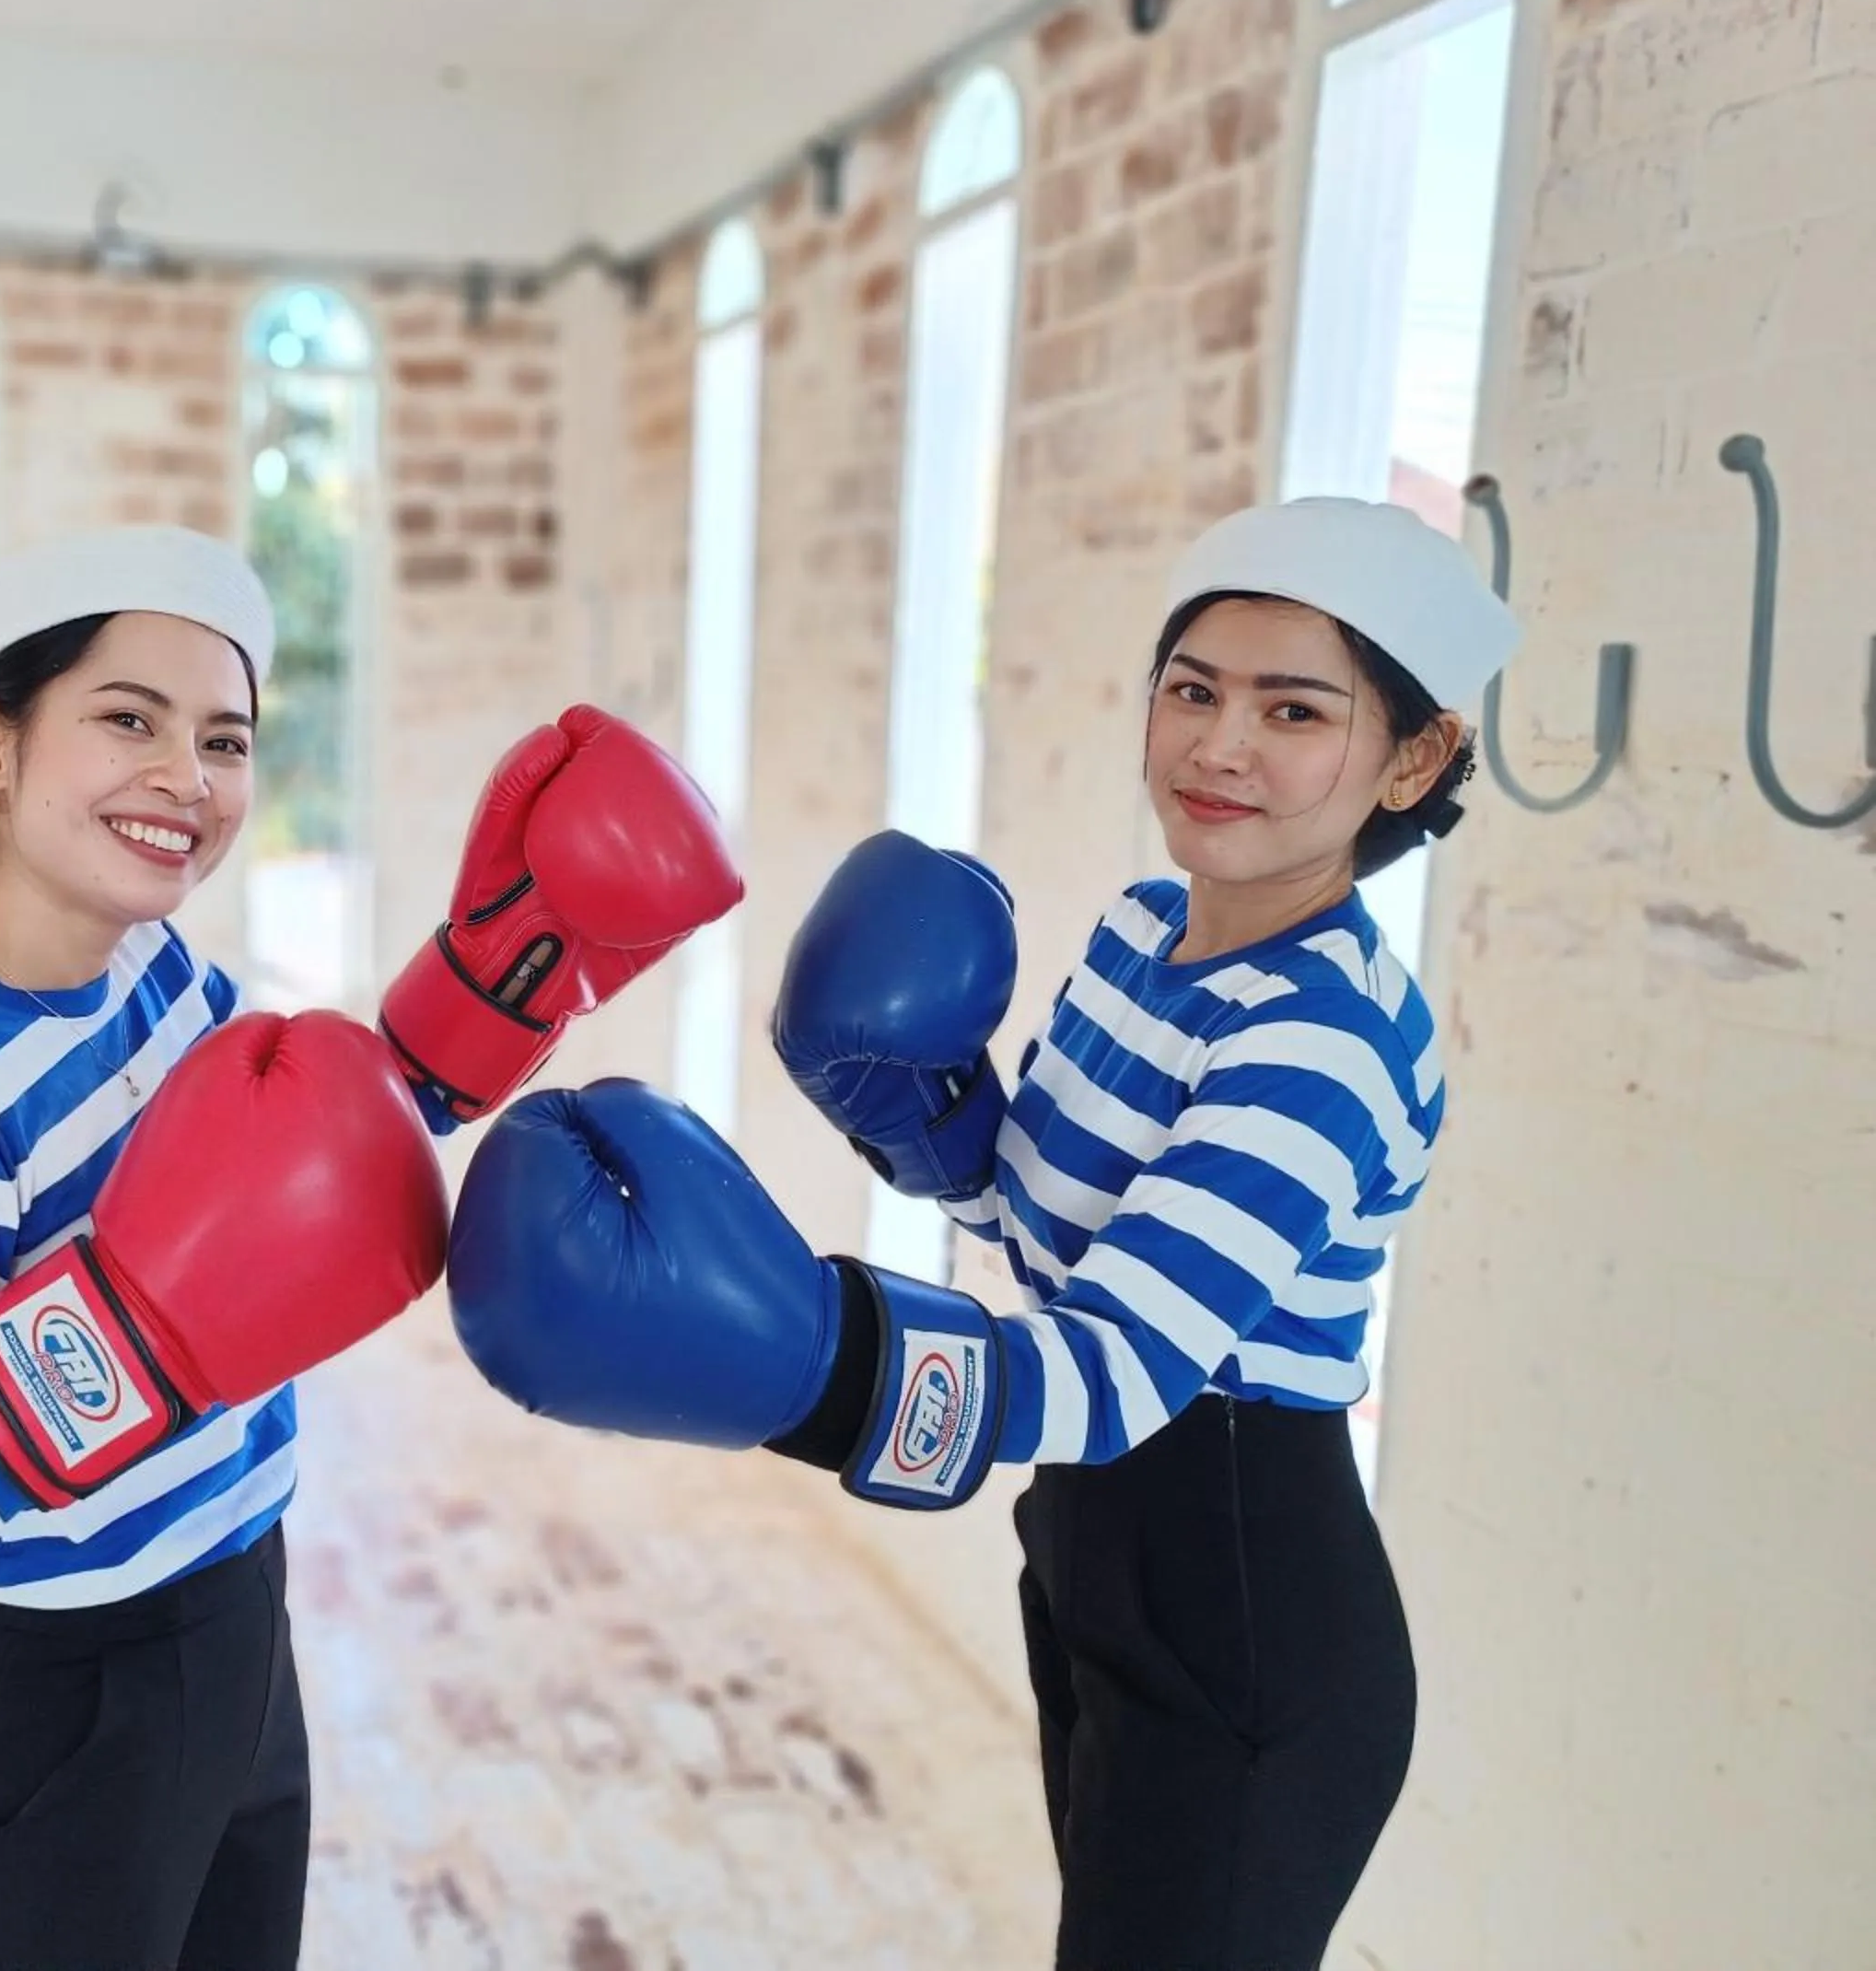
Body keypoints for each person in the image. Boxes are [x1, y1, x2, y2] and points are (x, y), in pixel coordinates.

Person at [442, 496, 1521, 1971]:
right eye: (1194, 688)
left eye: (1295, 709)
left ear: (1415, 756)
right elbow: (1033, 1222)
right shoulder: (1147, 930)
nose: (1221, 745)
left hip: (1241, 1593)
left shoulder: (1321, 1035)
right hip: (1089, 1549)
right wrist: (921, 1108)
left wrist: (806, 1365)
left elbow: (1119, 1366)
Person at [0, 523, 739, 1971]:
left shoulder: (154, 964)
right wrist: (139, 1327)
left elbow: (311, 1156)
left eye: (224, 739)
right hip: (64, 1701)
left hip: (240, 1612)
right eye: (128, 719)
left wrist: (515, 967)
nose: (189, 778)